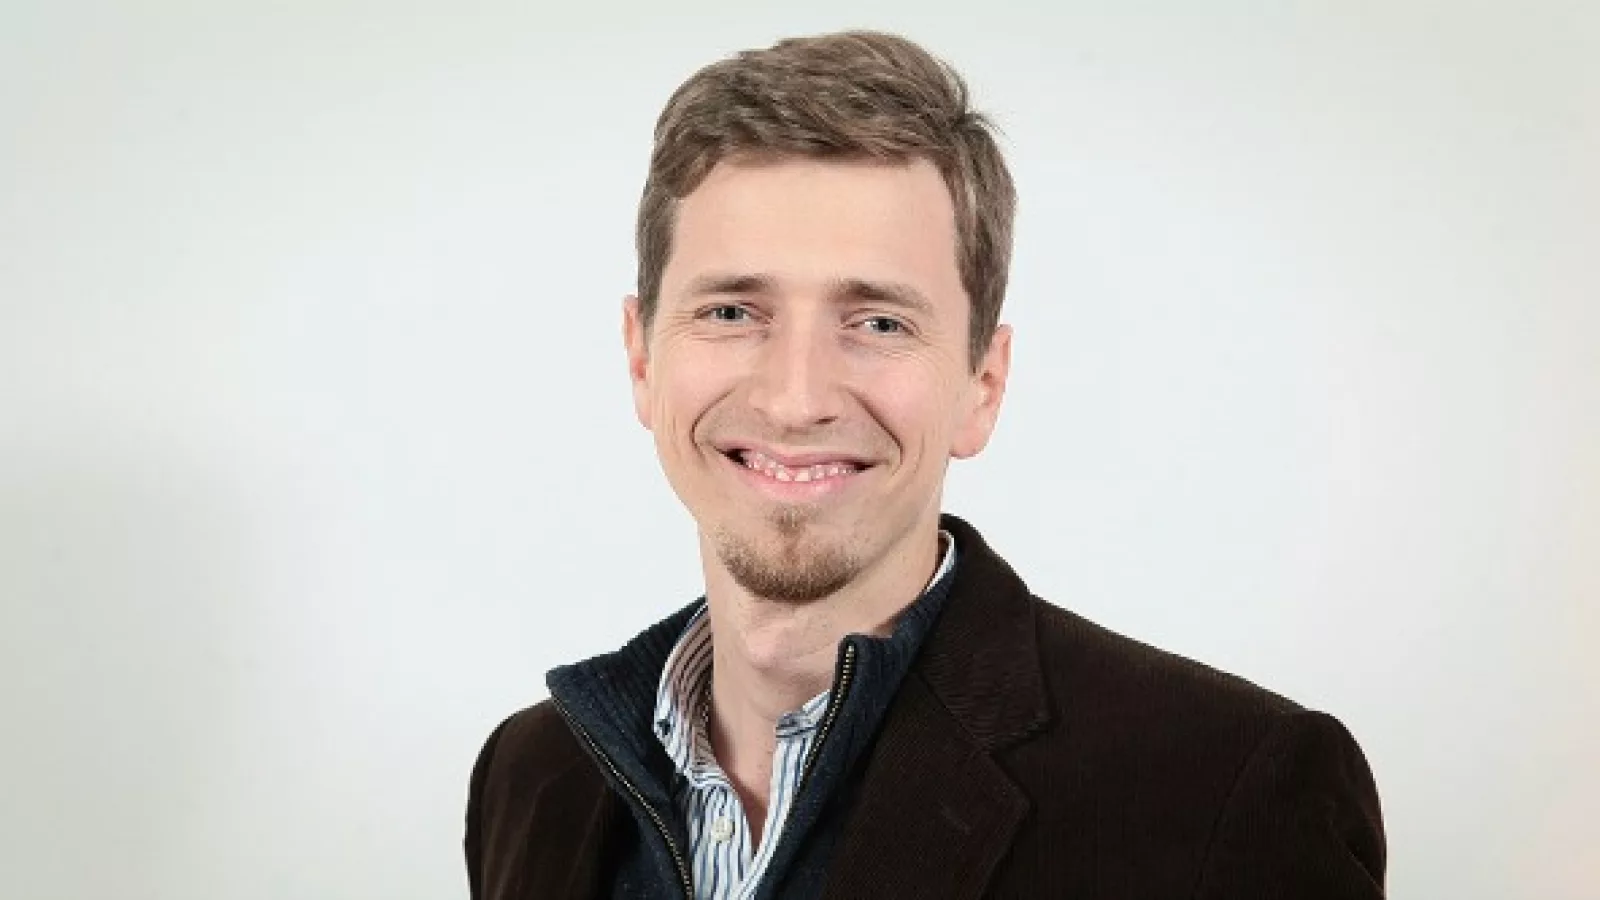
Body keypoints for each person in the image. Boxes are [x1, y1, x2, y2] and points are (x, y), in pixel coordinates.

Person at [464, 30, 1386, 899]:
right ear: (641, 358)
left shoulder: (1228, 793)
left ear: (984, 383)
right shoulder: (531, 778)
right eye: (732, 312)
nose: (795, 398)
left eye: (878, 322)